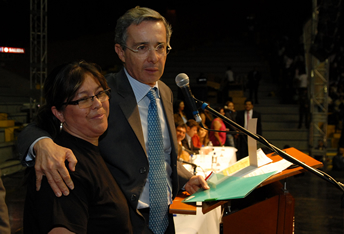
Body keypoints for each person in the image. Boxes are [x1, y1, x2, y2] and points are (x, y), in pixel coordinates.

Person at [18, 7, 209, 234]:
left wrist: (185, 179)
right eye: (141, 47)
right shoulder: (101, 94)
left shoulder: (165, 92)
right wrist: (43, 144)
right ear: (120, 51)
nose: (154, 57)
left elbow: (157, 154)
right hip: (125, 221)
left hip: (167, 217)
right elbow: (35, 126)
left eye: (160, 47)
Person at [23, 61, 132, 233]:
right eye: (83, 99)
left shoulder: (92, 149)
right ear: (59, 113)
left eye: (100, 93)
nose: (97, 103)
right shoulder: (61, 166)